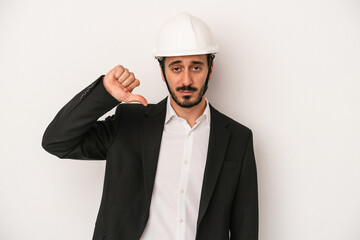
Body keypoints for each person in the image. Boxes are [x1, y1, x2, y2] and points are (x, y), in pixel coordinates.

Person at [42, 12, 258, 240]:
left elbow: (246, 229)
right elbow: (56, 141)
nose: (186, 80)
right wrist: (104, 93)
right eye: (176, 68)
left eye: (196, 67)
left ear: (210, 70)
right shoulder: (129, 123)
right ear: (163, 72)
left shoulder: (237, 139)